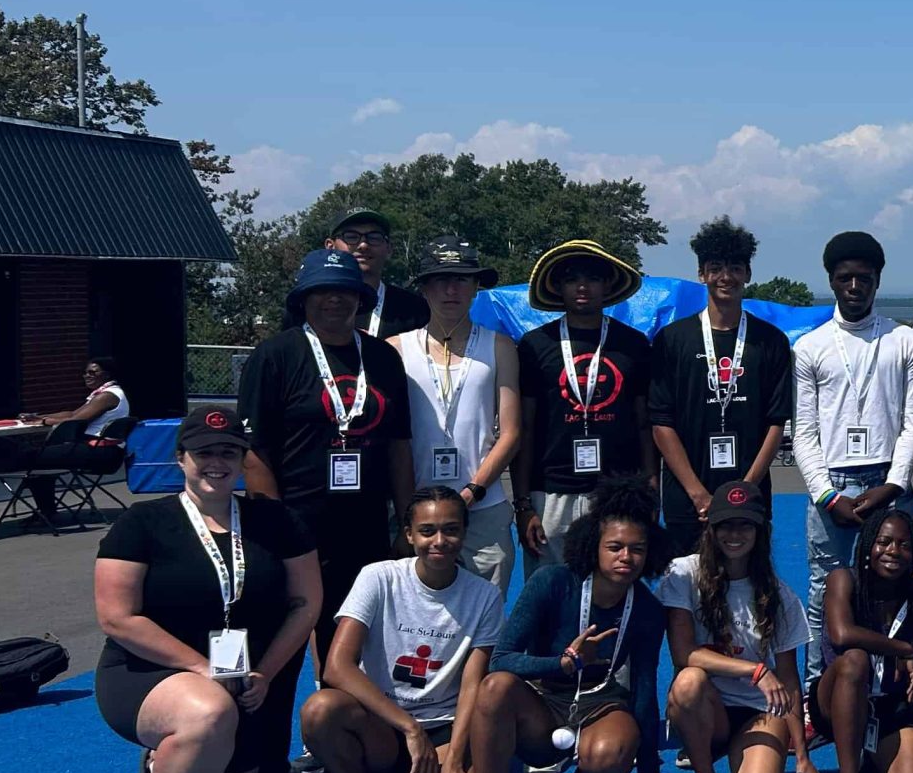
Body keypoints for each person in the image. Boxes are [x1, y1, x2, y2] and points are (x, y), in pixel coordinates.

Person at [91, 408, 320, 773]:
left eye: (229, 452)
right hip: (146, 674)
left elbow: (306, 602)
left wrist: (268, 671)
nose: (216, 462)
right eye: (204, 452)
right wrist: (198, 667)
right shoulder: (142, 523)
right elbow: (117, 617)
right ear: (180, 459)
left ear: (242, 460)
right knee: (208, 711)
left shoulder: (276, 521)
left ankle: (165, 764)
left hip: (239, 682)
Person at [239, 247, 414, 773]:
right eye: (323, 294)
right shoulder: (276, 356)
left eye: (346, 294)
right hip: (293, 537)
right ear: (305, 301)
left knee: (357, 660)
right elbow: (255, 450)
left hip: (364, 535)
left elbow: (397, 447)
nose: (336, 302)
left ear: (362, 301)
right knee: (281, 660)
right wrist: (273, 527)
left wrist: (406, 521)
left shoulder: (383, 358)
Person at [454, 480, 669, 773]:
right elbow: (502, 659)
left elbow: (643, 689)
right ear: (594, 545)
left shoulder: (648, 609)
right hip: (539, 701)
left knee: (610, 752)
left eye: (637, 549)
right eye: (616, 547)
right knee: (495, 688)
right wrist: (563, 663)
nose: (627, 557)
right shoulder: (552, 582)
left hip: (599, 701)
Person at [301, 485, 503, 773]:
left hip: (442, 730)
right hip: (383, 726)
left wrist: (456, 763)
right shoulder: (378, 577)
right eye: (427, 531)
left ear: (464, 530)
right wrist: (409, 728)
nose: (439, 541)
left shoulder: (485, 595)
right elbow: (337, 666)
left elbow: (473, 686)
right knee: (319, 710)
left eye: (451, 529)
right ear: (408, 534)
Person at [791, 231, 913, 646]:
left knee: (898, 588)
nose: (855, 287)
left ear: (877, 281)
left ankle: (898, 695)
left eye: (864, 279)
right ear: (832, 280)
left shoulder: (904, 340)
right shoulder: (810, 348)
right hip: (833, 487)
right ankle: (819, 698)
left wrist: (894, 483)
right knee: (823, 591)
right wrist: (825, 495)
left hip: (890, 484)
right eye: (845, 278)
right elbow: (803, 430)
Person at [658, 479, 813, 773]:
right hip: (707, 709)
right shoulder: (683, 574)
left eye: (745, 524)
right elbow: (684, 654)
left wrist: (802, 756)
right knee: (688, 681)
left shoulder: (779, 596)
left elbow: (789, 679)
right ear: (710, 528)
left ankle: (750, 766)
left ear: (760, 530)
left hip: (758, 712)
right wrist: (755, 670)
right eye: (725, 524)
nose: (735, 534)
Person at [511, 239, 654, 568]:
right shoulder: (536, 345)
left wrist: (650, 487)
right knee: (549, 594)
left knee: (616, 589)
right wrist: (523, 505)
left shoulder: (633, 344)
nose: (582, 286)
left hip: (618, 490)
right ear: (559, 287)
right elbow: (526, 428)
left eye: (592, 277)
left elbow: (644, 422)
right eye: (572, 278)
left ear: (607, 285)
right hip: (551, 492)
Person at [650, 217, 794, 535]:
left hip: (749, 498)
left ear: (748, 274)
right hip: (687, 499)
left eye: (735, 268)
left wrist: (744, 490)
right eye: (715, 268)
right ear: (701, 274)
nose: (725, 277)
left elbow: (776, 422)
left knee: (746, 583)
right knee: (684, 584)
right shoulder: (672, 339)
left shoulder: (770, 341)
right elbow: (661, 423)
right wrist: (697, 492)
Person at [394, 237, 521, 596]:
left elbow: (511, 432)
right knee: (417, 612)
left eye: (462, 279)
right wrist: (407, 505)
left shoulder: (500, 346)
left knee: (486, 615)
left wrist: (471, 492)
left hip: (484, 505)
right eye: (440, 279)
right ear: (424, 287)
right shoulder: (396, 349)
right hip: (416, 507)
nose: (451, 289)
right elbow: (396, 438)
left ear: (476, 287)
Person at [815, 506, 913, 773]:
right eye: (884, 542)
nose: (893, 552)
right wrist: (902, 649)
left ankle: (873, 763)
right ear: (868, 545)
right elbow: (842, 634)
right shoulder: (843, 580)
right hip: (837, 699)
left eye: (904, 545)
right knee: (856, 659)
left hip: (888, 712)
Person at [15, 354, 131, 526]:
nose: (87, 376)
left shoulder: (107, 395)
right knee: (41, 458)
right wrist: (39, 417)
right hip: (99, 450)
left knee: (31, 457)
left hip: (101, 453)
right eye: (86, 372)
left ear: (106, 374)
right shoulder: (102, 394)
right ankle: (47, 510)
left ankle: (47, 512)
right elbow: (72, 413)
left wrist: (44, 422)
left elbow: (78, 420)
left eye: (93, 372)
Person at [278, 209, 431, 338]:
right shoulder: (308, 304)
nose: (363, 245)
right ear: (330, 246)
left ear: (389, 248)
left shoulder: (414, 309)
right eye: (351, 237)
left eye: (374, 237)